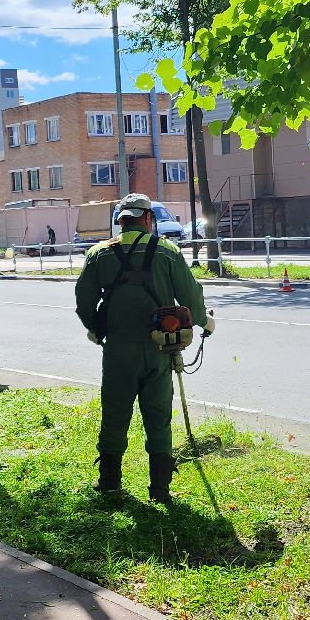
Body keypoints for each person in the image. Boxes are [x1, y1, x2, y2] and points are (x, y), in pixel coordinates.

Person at [75, 193, 212, 504]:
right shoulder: (168, 252)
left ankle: (110, 483)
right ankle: (160, 489)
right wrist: (205, 322)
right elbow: (191, 295)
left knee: (114, 413)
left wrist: (96, 328)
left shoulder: (99, 254)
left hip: (118, 350)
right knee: (158, 415)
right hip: (160, 348)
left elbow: (84, 301)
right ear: (149, 219)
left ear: (120, 221)